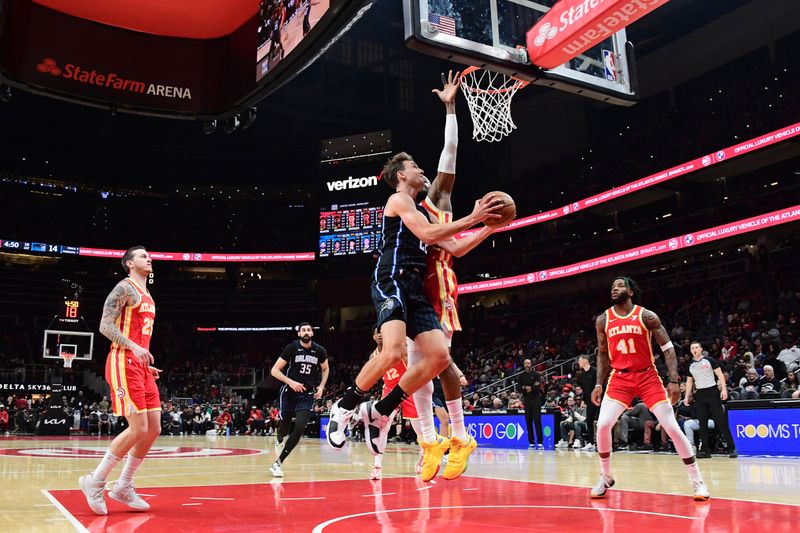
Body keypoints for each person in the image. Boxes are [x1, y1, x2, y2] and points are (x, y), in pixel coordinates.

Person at [326, 72, 501, 482]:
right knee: (392, 355)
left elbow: (453, 246)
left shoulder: (430, 207)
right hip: (393, 279)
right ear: (402, 174)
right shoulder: (399, 199)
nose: (424, 170)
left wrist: (489, 226)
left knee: (441, 360)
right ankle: (347, 406)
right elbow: (428, 234)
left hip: (425, 291)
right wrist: (474, 217)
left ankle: (383, 412)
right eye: (416, 167)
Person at [591, 276, 709, 500]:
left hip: (647, 376)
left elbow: (668, 349)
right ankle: (605, 476)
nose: (614, 289)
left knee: (672, 427)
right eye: (612, 286)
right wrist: (599, 383)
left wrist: (673, 380)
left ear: (631, 292)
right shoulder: (603, 319)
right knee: (603, 424)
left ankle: (697, 482)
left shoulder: (646, 316)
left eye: (619, 285)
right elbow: (603, 355)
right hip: (619, 378)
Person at [79, 246, 162, 515]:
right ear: (129, 264)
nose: (148, 258)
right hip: (122, 361)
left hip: (140, 366)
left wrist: (144, 361)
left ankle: (123, 486)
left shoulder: (148, 294)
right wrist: (133, 348)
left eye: (149, 255)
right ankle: (96, 481)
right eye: (142, 256)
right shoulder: (124, 288)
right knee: (138, 428)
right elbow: (105, 325)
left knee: (153, 429)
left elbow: (141, 335)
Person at [269, 322, 329, 477]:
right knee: (285, 426)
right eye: (303, 330)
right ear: (299, 334)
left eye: (309, 329)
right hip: (289, 392)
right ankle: (279, 438)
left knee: (300, 426)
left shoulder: (319, 351)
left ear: (312, 333)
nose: (306, 332)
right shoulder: (292, 348)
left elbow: (326, 368)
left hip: (307, 394)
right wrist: (291, 382)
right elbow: (274, 370)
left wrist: (321, 386)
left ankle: (278, 463)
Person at [684, 341, 737, 458]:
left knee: (721, 421)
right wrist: (686, 397)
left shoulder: (710, 360)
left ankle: (732, 448)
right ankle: (705, 450)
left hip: (712, 392)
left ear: (701, 349)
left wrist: (724, 390)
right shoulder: (690, 365)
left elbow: (720, 375)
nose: (694, 349)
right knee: (702, 423)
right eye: (692, 348)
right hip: (700, 395)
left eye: (697, 347)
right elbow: (689, 382)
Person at [518, 359, 544, 449]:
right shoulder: (521, 376)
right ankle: (531, 442)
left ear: (531, 364)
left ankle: (540, 442)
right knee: (528, 421)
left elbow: (537, 388)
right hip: (527, 401)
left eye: (528, 363)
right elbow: (519, 389)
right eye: (526, 363)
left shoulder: (536, 374)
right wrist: (527, 387)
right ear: (524, 365)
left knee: (537, 421)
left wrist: (529, 388)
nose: (527, 365)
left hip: (536, 400)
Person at [577, 355, 598, 450]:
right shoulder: (581, 375)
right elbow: (584, 390)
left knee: (600, 422)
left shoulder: (595, 371)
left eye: (580, 360)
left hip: (598, 400)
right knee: (589, 421)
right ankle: (591, 443)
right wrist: (583, 401)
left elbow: (601, 385)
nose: (578, 362)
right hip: (589, 401)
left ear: (585, 360)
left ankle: (606, 443)